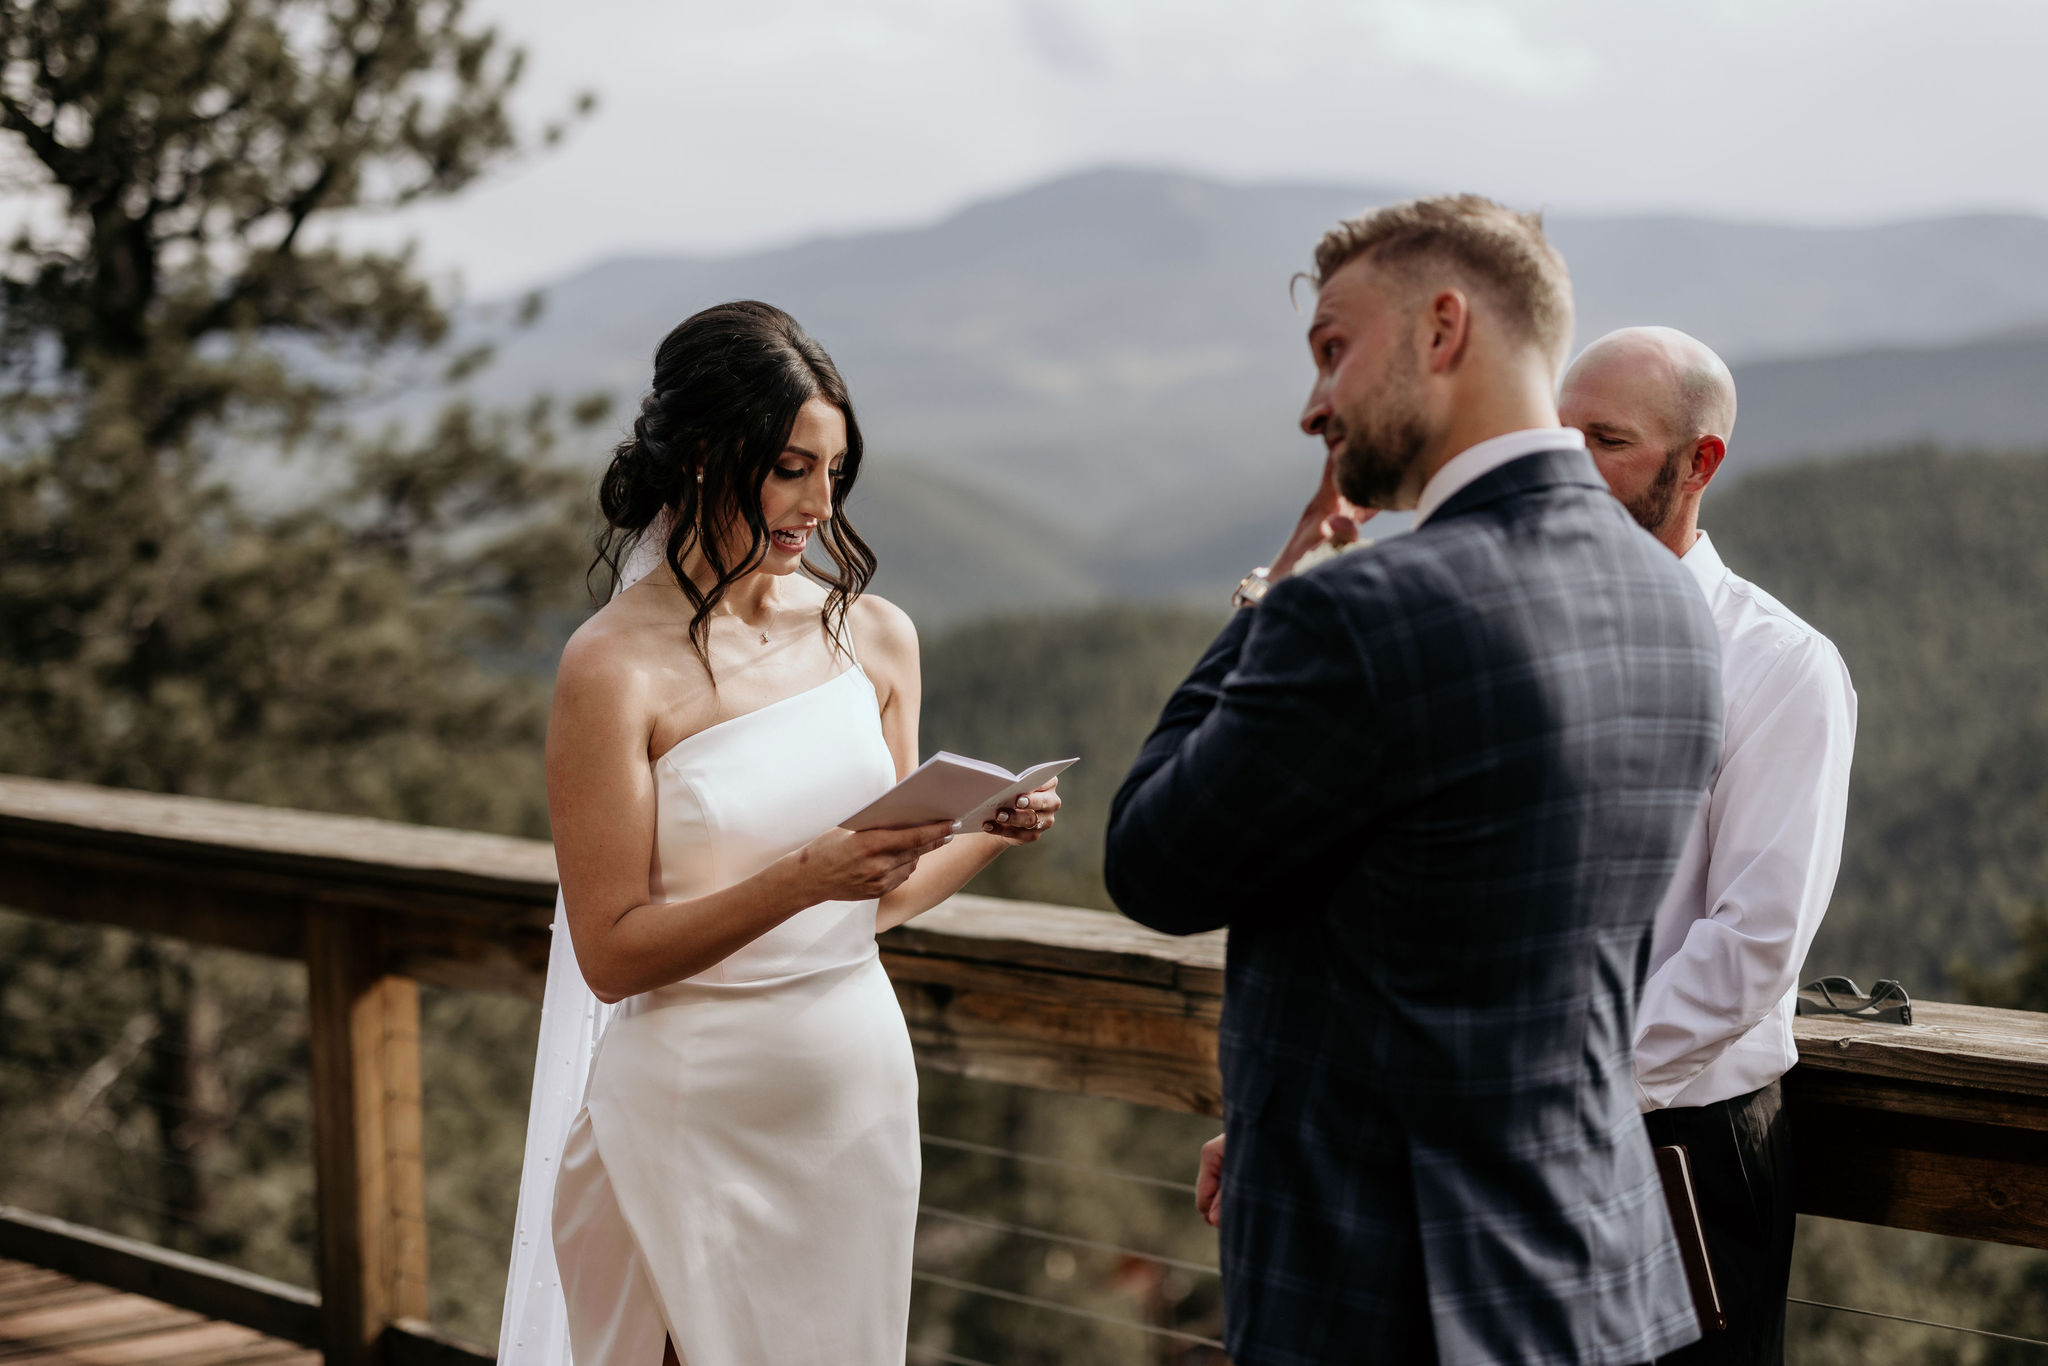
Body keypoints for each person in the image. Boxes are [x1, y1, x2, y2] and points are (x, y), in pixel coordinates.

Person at [1103, 196, 1723, 1366]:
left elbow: (1148, 859)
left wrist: (1279, 583)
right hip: (1588, 1279)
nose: (1314, 404)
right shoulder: (1671, 604)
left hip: (1384, 1293)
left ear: (1442, 329)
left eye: (1333, 348)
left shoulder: (1360, 613)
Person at [496, 301, 1060, 1366]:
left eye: (835, 472)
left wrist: (986, 829)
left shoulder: (876, 636)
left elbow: (877, 897)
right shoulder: (612, 668)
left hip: (853, 1097)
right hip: (691, 1111)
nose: (818, 504)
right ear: (705, 457)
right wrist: (804, 875)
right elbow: (609, 953)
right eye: (792, 469)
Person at [1560, 326, 1857, 1366]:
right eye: (1556, 437)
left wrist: (1563, 1093)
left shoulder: (1780, 666)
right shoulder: (1525, 636)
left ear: (1699, 463)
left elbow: (1753, 945)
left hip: (1676, 1143)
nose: (1568, 467)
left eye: (1605, 440)